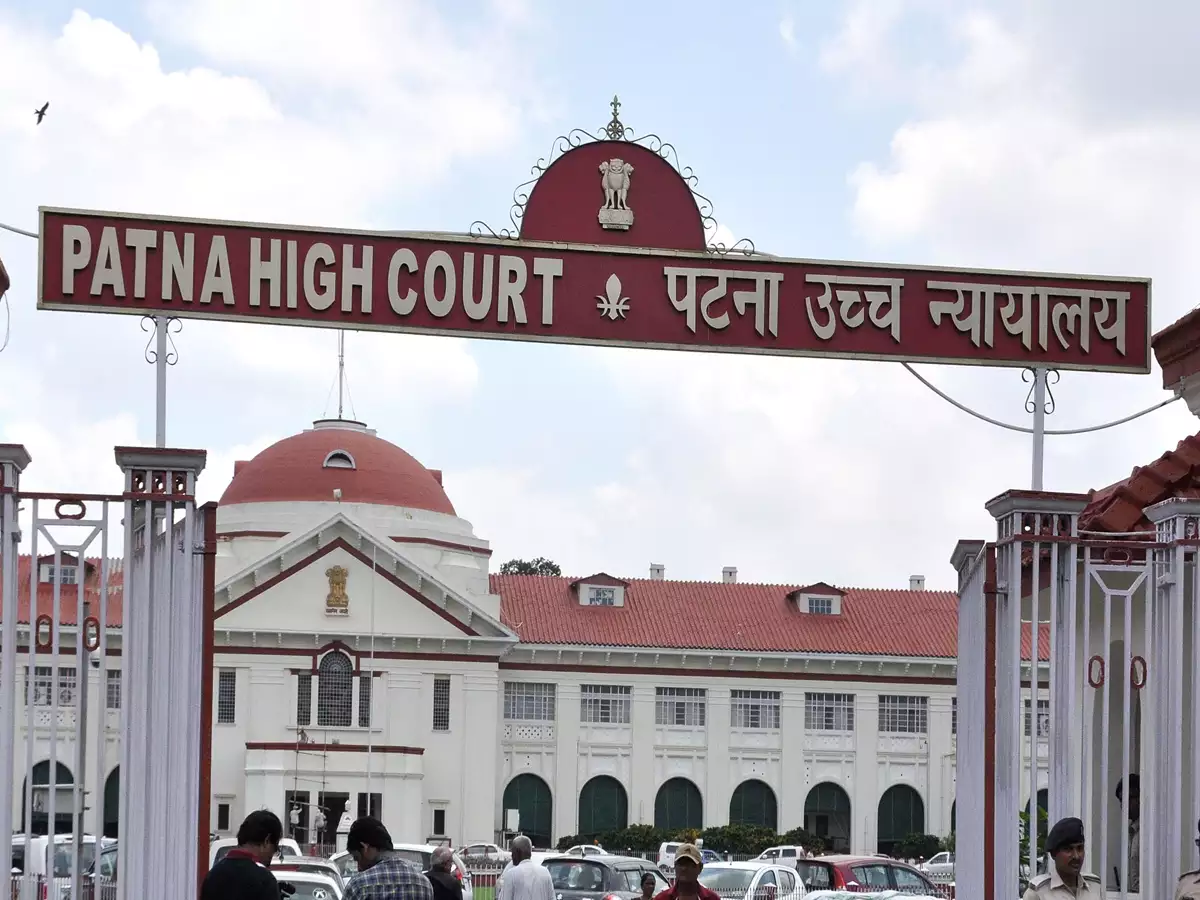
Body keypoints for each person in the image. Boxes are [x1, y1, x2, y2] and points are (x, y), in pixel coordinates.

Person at [201, 809, 285, 900]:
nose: (273, 854)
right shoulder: (264, 880)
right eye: (275, 848)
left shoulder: (213, 875)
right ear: (267, 841)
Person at [344, 816, 434, 900]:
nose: (358, 867)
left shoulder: (359, 885)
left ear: (365, 848)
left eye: (357, 858)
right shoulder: (424, 883)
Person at [1022, 816, 1101, 899]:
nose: (1076, 856)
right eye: (1068, 849)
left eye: (1080, 848)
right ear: (1053, 854)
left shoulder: (1094, 887)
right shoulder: (1038, 893)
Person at [652, 845, 720, 900]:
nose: (684, 868)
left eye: (689, 864)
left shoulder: (712, 898)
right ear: (675, 866)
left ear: (700, 868)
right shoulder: (662, 898)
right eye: (680, 864)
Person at [497, 835, 553, 900]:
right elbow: (552, 897)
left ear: (517, 852)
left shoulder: (511, 874)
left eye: (512, 852)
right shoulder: (545, 872)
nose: (511, 855)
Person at [1115, 775, 1140, 893]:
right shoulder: (1132, 831)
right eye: (1121, 801)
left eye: (1127, 799)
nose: (1123, 805)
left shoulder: (1149, 833)